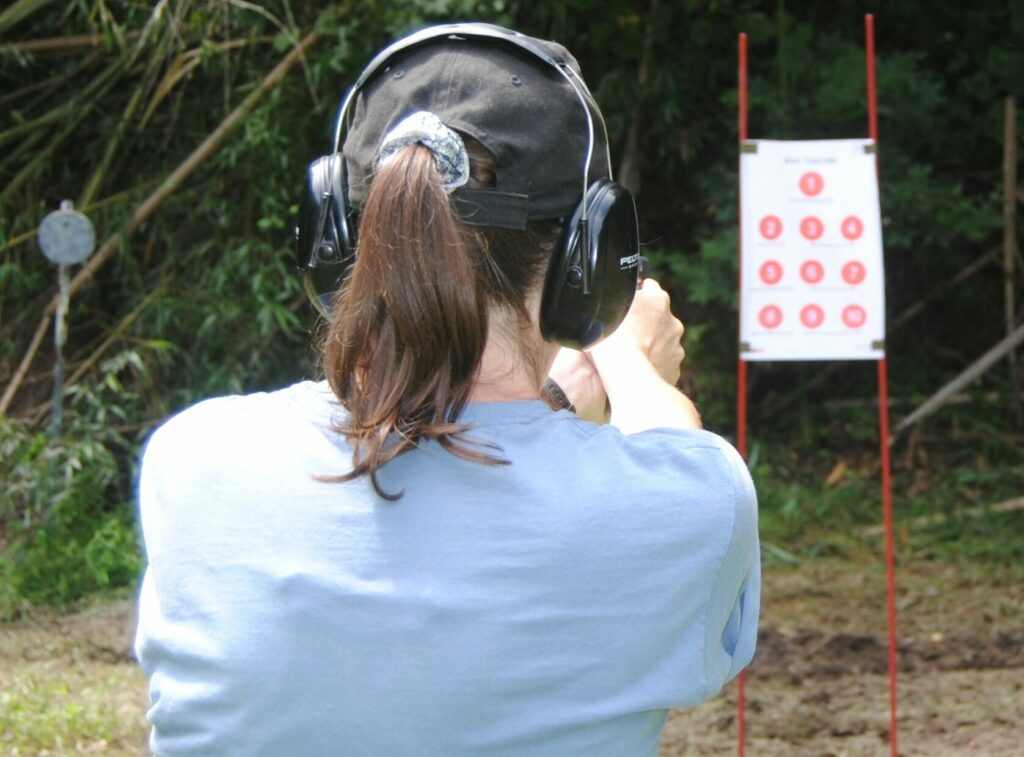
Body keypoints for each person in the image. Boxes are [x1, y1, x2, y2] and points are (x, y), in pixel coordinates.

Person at [134, 22, 759, 756]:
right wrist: (624, 355)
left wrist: (552, 400)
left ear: (336, 245)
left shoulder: (195, 459)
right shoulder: (691, 508)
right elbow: (676, 451)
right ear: (588, 262)